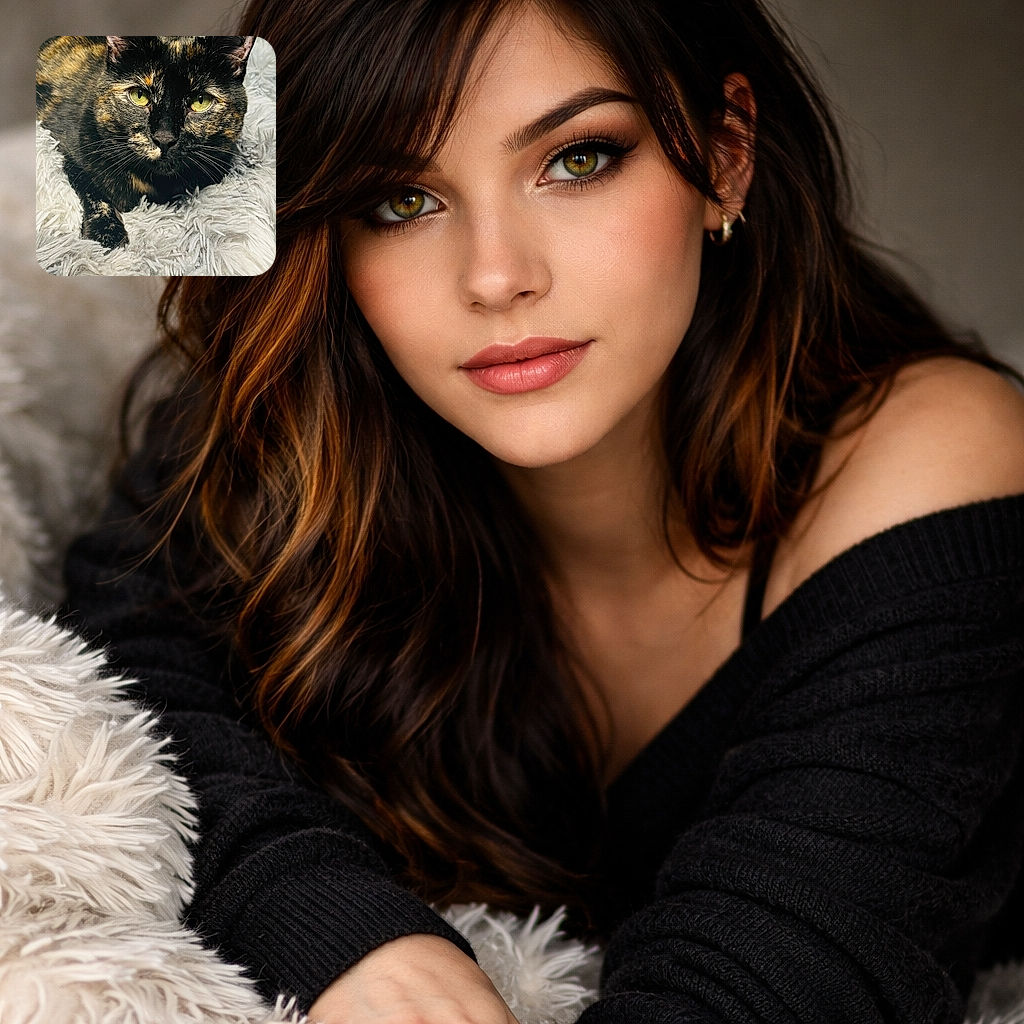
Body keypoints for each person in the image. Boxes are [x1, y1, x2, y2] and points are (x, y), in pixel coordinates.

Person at [63, 0, 1024, 1021]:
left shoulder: (948, 450)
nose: (496, 277)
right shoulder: (304, 415)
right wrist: (339, 930)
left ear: (726, 153)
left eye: (577, 160)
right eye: (398, 199)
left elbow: (776, 985)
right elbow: (116, 670)